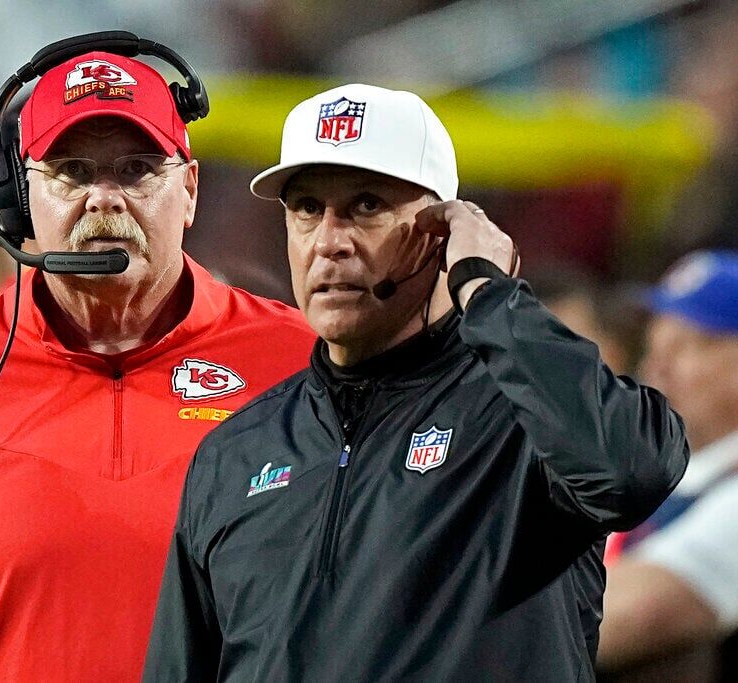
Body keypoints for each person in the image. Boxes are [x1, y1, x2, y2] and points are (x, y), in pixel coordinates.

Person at [143, 84, 689, 681]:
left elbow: (633, 470)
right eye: (305, 209)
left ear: (444, 230)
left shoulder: (520, 413)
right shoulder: (236, 451)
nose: (329, 242)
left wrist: (487, 292)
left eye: (367, 205)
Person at [0, 45, 315, 682]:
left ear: (189, 191)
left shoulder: (303, 366)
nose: (104, 199)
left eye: (137, 169)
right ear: (20, 199)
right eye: (72, 172)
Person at [599, 250, 738, 676]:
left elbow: (625, 616)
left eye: (690, 343)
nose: (657, 363)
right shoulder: (637, 467)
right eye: (657, 340)